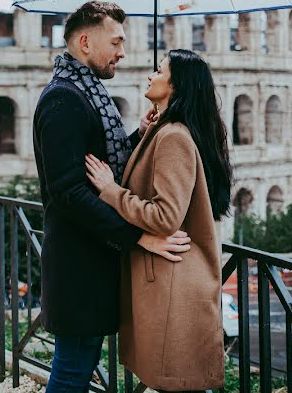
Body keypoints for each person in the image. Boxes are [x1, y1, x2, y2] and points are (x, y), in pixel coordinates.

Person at [33, 1, 192, 393]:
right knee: (72, 373)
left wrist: (138, 135)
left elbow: (98, 162)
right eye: (117, 41)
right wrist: (140, 236)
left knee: (77, 369)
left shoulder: (82, 93)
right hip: (78, 265)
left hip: (90, 261)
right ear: (85, 42)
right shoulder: (64, 99)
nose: (123, 51)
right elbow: (68, 191)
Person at [85, 49, 233, 393]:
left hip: (174, 283)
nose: (151, 75)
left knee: (176, 383)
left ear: (175, 85)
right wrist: (143, 132)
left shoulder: (174, 137)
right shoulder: (165, 131)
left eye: (159, 70)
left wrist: (110, 190)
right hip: (168, 279)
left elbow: (166, 217)